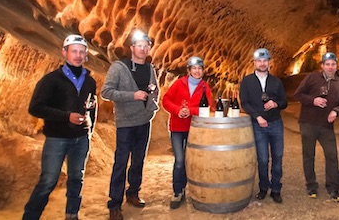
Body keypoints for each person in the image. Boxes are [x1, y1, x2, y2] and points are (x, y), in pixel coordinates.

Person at [23, 34, 97, 220]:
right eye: (74, 51)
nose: (78, 55)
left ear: (86, 55)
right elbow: (35, 107)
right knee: (48, 180)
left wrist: (90, 128)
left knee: (76, 178)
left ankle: (72, 214)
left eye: (81, 52)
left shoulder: (90, 81)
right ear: (65, 52)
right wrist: (66, 117)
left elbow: (92, 106)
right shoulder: (51, 80)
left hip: (81, 138)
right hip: (57, 138)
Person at [101, 30, 159, 220]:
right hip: (125, 123)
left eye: (146, 45)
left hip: (144, 122)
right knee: (121, 162)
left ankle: (133, 192)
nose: (143, 49)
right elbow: (106, 91)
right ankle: (115, 203)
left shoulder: (150, 69)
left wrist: (151, 108)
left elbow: (155, 90)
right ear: (132, 48)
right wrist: (132, 96)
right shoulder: (118, 67)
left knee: (139, 160)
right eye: (139, 45)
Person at [293, 52, 339, 202]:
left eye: (333, 64)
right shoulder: (312, 78)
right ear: (323, 66)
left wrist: (335, 111)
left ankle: (332, 188)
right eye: (327, 64)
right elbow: (298, 94)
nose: (330, 67)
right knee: (309, 155)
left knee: (332, 156)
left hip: (326, 125)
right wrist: (313, 100)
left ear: (336, 65)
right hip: (308, 123)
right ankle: (311, 186)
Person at [161, 56, 212, 209]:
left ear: (203, 71)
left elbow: (207, 108)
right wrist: (177, 110)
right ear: (189, 70)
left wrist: (190, 111)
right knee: (179, 161)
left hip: (194, 129)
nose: (197, 71)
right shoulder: (179, 83)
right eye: (194, 68)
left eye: (200, 68)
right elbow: (166, 100)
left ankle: (193, 189)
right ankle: (178, 191)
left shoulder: (205, 88)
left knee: (191, 161)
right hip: (177, 128)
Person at [239, 48, 288, 203]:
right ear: (254, 63)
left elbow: (284, 102)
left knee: (278, 157)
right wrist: (257, 116)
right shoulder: (247, 81)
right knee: (262, 158)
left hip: (276, 124)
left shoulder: (276, 81)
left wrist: (276, 103)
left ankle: (276, 189)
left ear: (269, 63)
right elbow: (245, 103)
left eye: (265, 61)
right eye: (259, 61)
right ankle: (263, 188)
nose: (262, 63)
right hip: (258, 125)